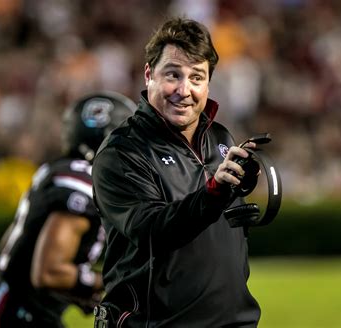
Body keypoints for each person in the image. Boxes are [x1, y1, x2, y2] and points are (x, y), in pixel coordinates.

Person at [92, 17, 262, 327]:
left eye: (197, 77)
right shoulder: (122, 152)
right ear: (149, 75)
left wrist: (239, 199)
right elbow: (150, 229)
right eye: (173, 75)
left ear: (208, 83)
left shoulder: (221, 138)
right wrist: (214, 195)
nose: (184, 90)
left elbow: (217, 227)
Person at [0, 91, 136, 328]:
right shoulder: (83, 183)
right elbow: (48, 272)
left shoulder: (63, 169)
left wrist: (75, 291)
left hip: (17, 305)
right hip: (14, 313)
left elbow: (13, 247)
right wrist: (110, 283)